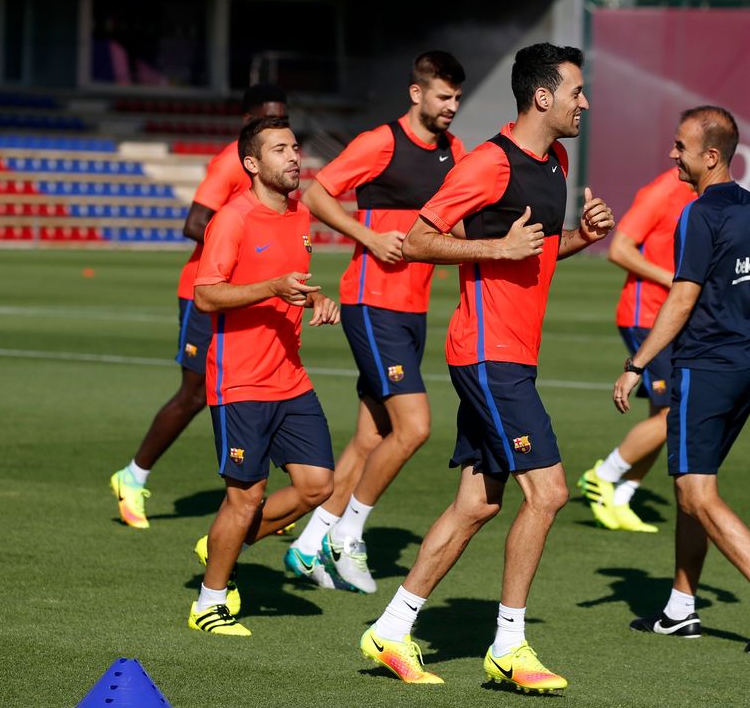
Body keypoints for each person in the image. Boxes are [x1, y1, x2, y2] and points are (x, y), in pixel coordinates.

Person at [359, 43, 613, 692]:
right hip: (485, 353)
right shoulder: (488, 164)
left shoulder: (554, 160)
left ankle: (391, 628)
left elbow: (539, 255)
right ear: (542, 97)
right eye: (577, 92)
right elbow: (417, 239)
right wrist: (495, 247)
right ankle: (509, 645)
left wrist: (582, 235)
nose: (586, 102)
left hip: (513, 357)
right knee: (549, 491)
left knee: (476, 503)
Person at [614, 106, 750, 654]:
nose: (672, 155)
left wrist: (635, 364)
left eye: (680, 147)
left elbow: (682, 296)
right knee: (690, 488)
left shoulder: (698, 215)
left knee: (697, 491)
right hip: (745, 369)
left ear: (710, 156)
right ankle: (681, 608)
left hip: (705, 369)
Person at [290, 51, 466, 593]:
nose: (451, 107)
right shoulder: (380, 142)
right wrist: (367, 236)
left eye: (457, 98)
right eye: (443, 97)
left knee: (373, 435)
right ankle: (347, 533)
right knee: (414, 426)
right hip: (371, 304)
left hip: (414, 311)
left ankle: (308, 543)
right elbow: (317, 194)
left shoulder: (456, 152)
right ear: (417, 94)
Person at [185, 116, 340, 635]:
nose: (294, 156)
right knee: (245, 496)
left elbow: (290, 281)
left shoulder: (298, 212)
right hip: (240, 381)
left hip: (291, 378)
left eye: (296, 147)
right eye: (280, 149)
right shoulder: (233, 219)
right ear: (252, 164)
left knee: (318, 485)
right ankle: (209, 600)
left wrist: (317, 298)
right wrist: (272, 286)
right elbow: (207, 294)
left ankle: (225, 544)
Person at [109, 84, 288, 529]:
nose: (276, 126)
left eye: (282, 118)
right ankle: (132, 476)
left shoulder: (279, 170)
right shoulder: (231, 162)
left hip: (248, 296)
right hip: (205, 294)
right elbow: (194, 223)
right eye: (267, 118)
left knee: (265, 386)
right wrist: (243, 247)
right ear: (248, 121)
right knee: (192, 394)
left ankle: (271, 492)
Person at [579, 168, 696, 532]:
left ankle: (621, 498)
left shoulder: (701, 194)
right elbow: (619, 248)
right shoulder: (662, 190)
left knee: (664, 417)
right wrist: (674, 282)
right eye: (677, 145)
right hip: (646, 317)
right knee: (673, 414)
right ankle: (602, 475)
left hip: (671, 319)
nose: (675, 154)